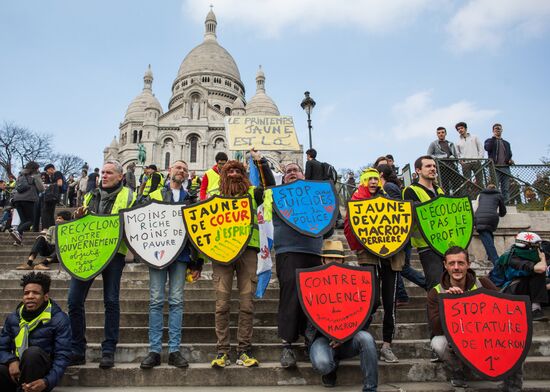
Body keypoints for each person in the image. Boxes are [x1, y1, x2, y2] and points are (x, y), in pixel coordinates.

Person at [67, 161, 136, 369]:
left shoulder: (130, 196)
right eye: (102, 173)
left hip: (115, 254)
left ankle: (108, 350)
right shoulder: (89, 195)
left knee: (111, 301)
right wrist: (77, 217)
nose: (103, 176)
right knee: (74, 300)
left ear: (120, 176)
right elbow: (82, 224)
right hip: (88, 253)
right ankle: (77, 349)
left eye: (109, 173)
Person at [210, 150, 274, 368]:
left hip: (248, 251)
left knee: (246, 304)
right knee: (221, 305)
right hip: (221, 255)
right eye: (231, 171)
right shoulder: (214, 199)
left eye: (239, 170)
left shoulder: (253, 194)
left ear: (244, 175)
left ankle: (244, 351)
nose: (235, 174)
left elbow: (270, 186)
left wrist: (260, 161)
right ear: (224, 175)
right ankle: (222, 352)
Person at [139, 160, 203, 369]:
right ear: (169, 171)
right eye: (178, 167)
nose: (181, 171)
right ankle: (154, 350)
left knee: (177, 301)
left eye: (184, 169)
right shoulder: (155, 194)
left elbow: (199, 232)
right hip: (157, 255)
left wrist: (198, 262)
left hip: (182, 256)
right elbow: (139, 217)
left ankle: (174, 350)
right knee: (156, 300)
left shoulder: (192, 198)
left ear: (186, 175)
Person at [426, 246, 516, 389]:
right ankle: (457, 371)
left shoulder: (484, 284)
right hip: (452, 340)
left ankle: (512, 384)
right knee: (438, 343)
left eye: (461, 263)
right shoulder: (435, 292)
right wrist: (451, 304)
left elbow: (504, 312)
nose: (456, 267)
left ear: (468, 264)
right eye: (452, 263)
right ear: (445, 265)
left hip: (482, 337)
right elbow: (436, 329)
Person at [344, 167, 402, 363]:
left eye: (376, 179)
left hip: (392, 254)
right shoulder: (356, 200)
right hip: (367, 254)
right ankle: (361, 338)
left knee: (389, 302)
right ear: (363, 181)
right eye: (369, 179)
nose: (373, 182)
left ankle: (387, 344)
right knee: (372, 299)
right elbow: (349, 224)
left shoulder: (389, 197)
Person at [306, 240, 378, 391]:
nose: (333, 262)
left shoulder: (354, 282)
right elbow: (307, 319)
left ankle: (370, 388)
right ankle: (332, 366)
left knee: (366, 338)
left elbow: (366, 315)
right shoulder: (311, 284)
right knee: (323, 364)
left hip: (349, 337)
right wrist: (329, 332)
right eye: (330, 258)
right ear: (323, 260)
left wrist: (346, 334)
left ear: (343, 260)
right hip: (322, 339)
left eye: (337, 258)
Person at [274, 162, 325, 368]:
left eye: (296, 170)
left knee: (313, 297)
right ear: (283, 178)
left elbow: (328, 224)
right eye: (288, 172)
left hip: (312, 251)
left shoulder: (318, 197)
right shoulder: (277, 196)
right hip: (288, 250)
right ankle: (287, 345)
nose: (292, 173)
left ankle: (309, 338)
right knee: (290, 295)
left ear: (304, 175)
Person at [0, 272, 71, 392]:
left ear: (46, 296)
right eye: (26, 293)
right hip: (17, 369)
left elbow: (62, 357)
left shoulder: (59, 319)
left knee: (32, 354)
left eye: (36, 293)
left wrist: (46, 382)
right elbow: (2, 348)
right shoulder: (13, 318)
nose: (30, 296)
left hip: (40, 373)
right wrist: (11, 360)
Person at [378, 164, 426, 306]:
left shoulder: (388, 187)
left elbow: (396, 207)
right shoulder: (390, 186)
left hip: (400, 232)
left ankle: (428, 285)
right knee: (398, 266)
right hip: (401, 233)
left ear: (380, 174)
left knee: (400, 266)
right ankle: (402, 295)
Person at [403, 156, 445, 290]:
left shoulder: (439, 190)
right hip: (426, 245)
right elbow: (418, 216)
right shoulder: (410, 190)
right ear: (418, 170)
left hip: (444, 243)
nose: (433, 169)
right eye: (428, 166)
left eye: (433, 166)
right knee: (436, 286)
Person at [492, 232, 549, 321]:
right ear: (528, 247)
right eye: (536, 246)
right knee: (537, 273)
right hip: (507, 291)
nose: (539, 249)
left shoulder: (519, 255)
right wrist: (543, 258)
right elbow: (541, 268)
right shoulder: (512, 258)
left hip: (520, 288)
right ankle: (535, 310)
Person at [10, 162, 45, 246]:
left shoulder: (20, 176)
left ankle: (18, 240)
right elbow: (41, 188)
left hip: (17, 200)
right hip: (28, 199)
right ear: (35, 169)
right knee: (31, 220)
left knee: (24, 221)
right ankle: (16, 231)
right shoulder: (35, 176)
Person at [475, 184, 506, 266]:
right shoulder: (499, 195)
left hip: (480, 218)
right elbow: (503, 211)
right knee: (489, 236)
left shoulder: (481, 195)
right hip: (492, 218)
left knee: (487, 241)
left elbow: (476, 207)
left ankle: (496, 261)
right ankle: (490, 258)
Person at [485, 123, 514, 203]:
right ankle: (496, 203)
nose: (498, 130)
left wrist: (510, 160)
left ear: (502, 130)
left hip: (505, 167)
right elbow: (487, 148)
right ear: (493, 130)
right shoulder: (489, 141)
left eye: (499, 128)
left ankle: (506, 203)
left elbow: (509, 154)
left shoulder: (507, 143)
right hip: (495, 167)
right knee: (495, 187)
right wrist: (493, 138)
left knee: (506, 188)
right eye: (496, 129)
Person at [455, 122, 485, 194]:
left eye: (461, 128)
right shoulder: (457, 142)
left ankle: (482, 196)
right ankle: (469, 198)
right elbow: (457, 154)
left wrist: (479, 159)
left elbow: (481, 148)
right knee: (467, 182)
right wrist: (461, 162)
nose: (460, 130)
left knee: (479, 181)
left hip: (476, 162)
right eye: (458, 129)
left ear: (466, 128)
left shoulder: (474, 137)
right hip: (466, 164)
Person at [427, 126, 459, 194]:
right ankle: (446, 199)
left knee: (457, 184)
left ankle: (457, 198)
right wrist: (439, 157)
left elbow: (456, 155)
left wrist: (453, 157)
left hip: (452, 166)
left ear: (445, 133)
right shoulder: (433, 144)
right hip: (441, 167)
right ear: (437, 134)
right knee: (444, 186)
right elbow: (429, 155)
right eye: (439, 133)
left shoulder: (450, 143)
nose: (441, 134)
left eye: (442, 132)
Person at [41, 164, 63, 229]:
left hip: (53, 196)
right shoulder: (52, 176)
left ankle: (48, 227)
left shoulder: (57, 173)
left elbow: (60, 183)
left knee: (47, 211)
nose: (47, 173)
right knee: (50, 212)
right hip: (53, 196)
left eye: (47, 171)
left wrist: (48, 185)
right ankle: (52, 227)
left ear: (51, 169)